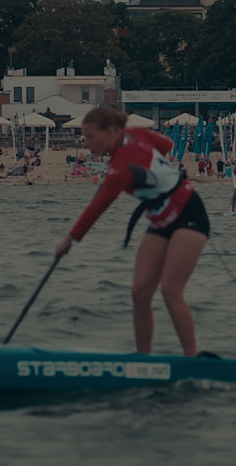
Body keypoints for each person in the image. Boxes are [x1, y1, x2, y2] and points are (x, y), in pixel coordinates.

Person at [54, 108, 208, 357]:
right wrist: (154, 166)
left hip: (188, 213)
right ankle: (142, 358)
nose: (87, 143)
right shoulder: (134, 135)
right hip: (160, 220)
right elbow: (166, 145)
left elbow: (98, 206)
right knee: (139, 291)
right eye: (85, 137)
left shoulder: (121, 167)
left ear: (111, 131)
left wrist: (69, 240)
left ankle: (192, 359)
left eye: (92, 137)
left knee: (170, 289)